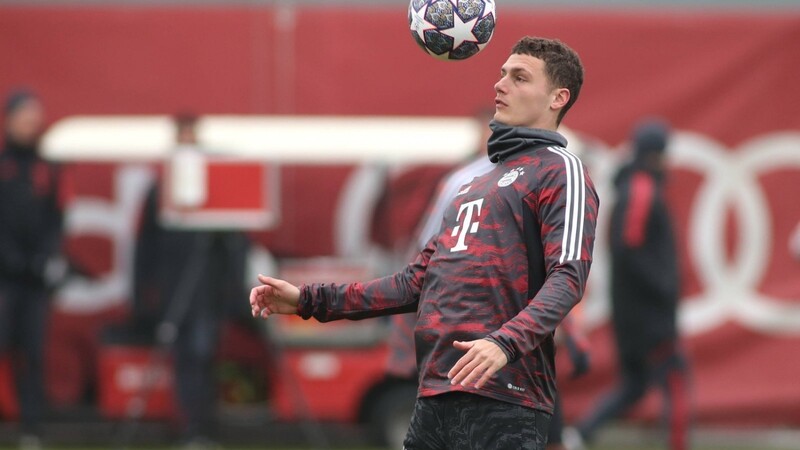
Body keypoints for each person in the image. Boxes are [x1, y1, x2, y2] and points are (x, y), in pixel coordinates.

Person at [250, 36, 599, 450]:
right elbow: (414, 283)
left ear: (559, 97)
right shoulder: (472, 184)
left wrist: (503, 343)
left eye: (519, 77)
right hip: (435, 394)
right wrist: (308, 300)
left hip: (506, 397)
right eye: (502, 73)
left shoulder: (562, 171)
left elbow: (568, 276)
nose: (500, 85)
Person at [563, 119, 690, 450]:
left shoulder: (632, 186)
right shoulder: (642, 188)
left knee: (634, 385)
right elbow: (629, 246)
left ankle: (578, 435)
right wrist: (664, 289)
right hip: (648, 315)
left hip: (634, 311)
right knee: (675, 379)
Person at [133, 113, 251, 449]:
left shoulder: (218, 187)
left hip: (209, 293)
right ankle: (188, 429)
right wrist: (145, 293)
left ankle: (204, 427)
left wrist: (233, 288)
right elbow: (146, 246)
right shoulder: (160, 190)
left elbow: (236, 241)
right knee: (185, 357)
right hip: (175, 291)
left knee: (205, 355)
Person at [0, 89, 66, 449]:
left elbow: (57, 218)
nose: (31, 124)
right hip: (4, 278)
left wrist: (45, 257)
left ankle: (32, 427)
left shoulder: (47, 167)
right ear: (10, 120)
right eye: (25, 117)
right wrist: (10, 257)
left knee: (32, 352)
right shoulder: (4, 165)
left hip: (35, 280)